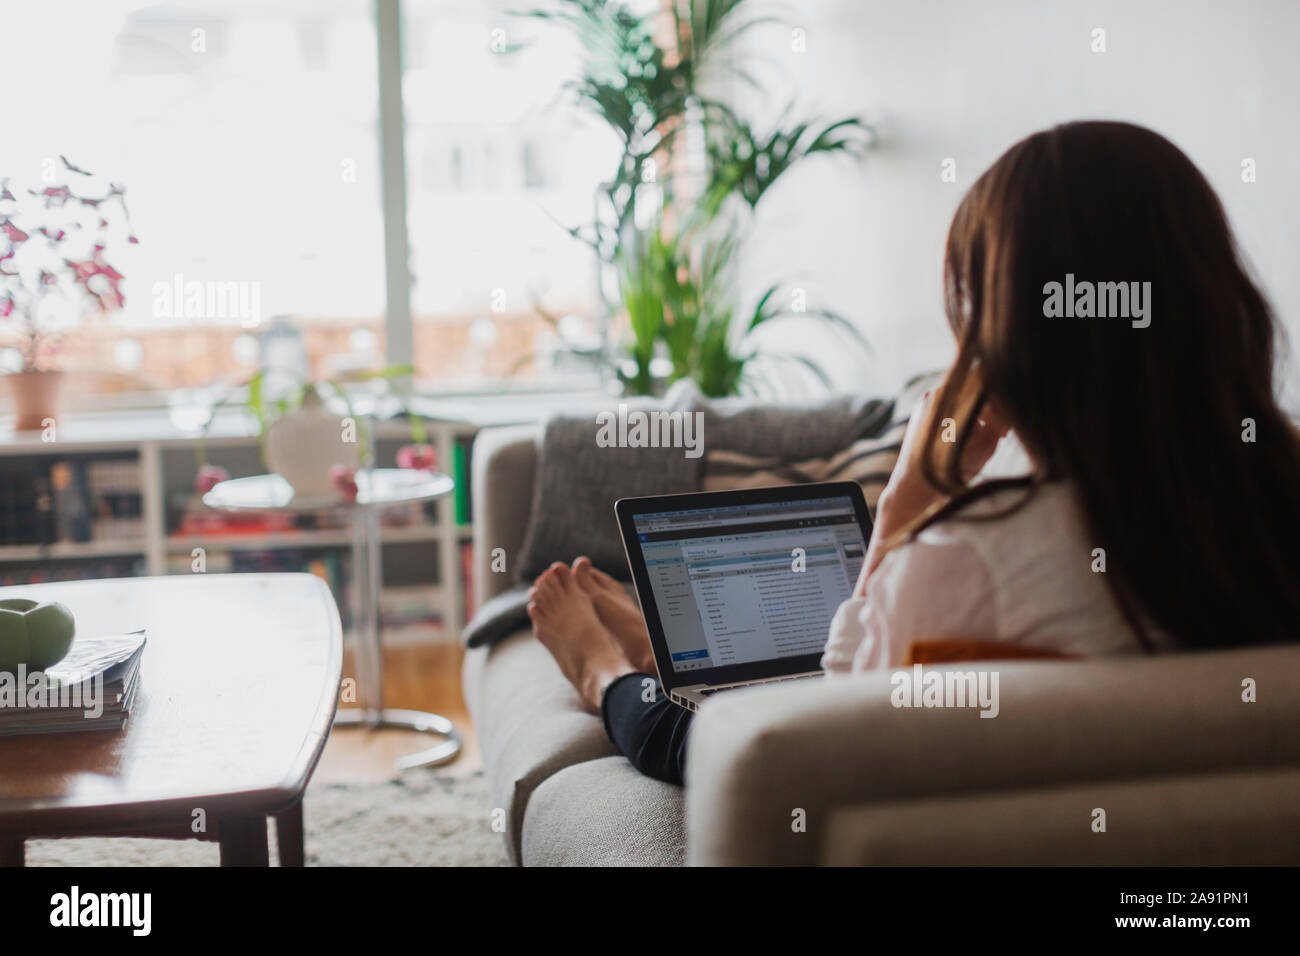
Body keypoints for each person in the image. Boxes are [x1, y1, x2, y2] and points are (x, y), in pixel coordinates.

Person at [527, 120, 1300, 786]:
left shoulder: (966, 560)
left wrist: (903, 512)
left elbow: (810, 743)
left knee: (691, 724)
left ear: (1002, 340)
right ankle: (649, 663)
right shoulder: (1273, 506)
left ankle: (607, 673)